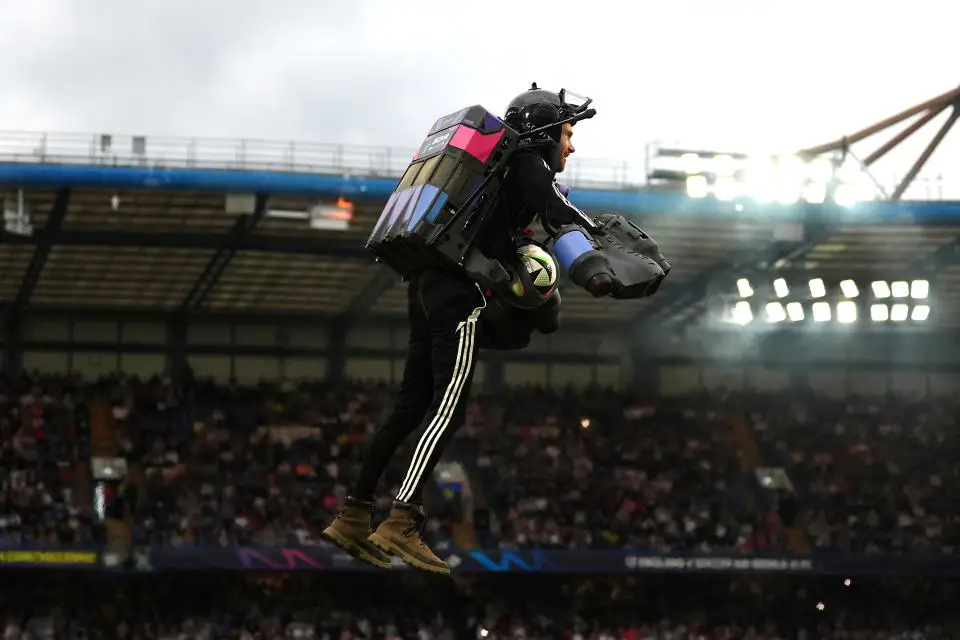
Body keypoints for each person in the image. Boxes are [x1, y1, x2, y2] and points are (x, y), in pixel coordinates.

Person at [321, 84, 600, 574]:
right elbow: (556, 213)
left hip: (425, 281)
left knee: (409, 408)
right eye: (568, 133)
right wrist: (602, 239)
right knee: (448, 406)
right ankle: (402, 518)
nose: (571, 146)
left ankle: (353, 513)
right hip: (457, 290)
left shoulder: (501, 168)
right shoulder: (528, 163)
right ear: (543, 131)